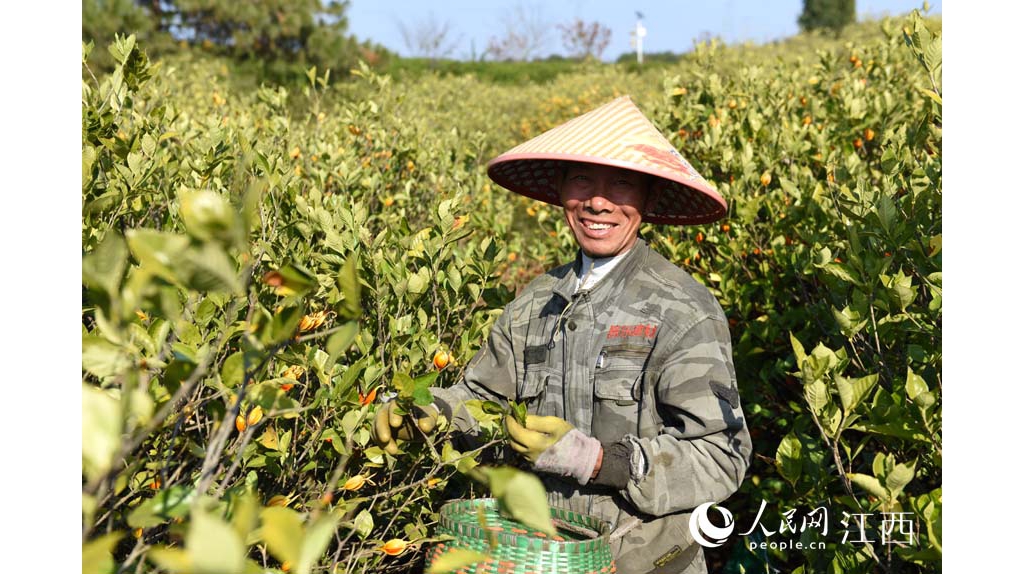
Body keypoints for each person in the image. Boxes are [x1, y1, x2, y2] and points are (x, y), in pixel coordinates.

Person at [373, 95, 751, 573]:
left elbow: (722, 455)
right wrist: (430, 411)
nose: (597, 201)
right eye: (581, 180)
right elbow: (482, 399)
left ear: (649, 198)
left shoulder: (682, 309)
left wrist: (598, 461)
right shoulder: (534, 301)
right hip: (533, 558)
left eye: (622, 183)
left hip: (645, 563)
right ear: (560, 190)